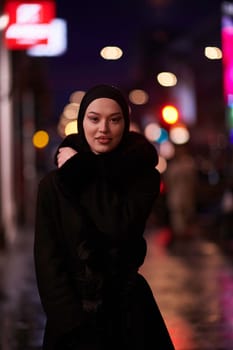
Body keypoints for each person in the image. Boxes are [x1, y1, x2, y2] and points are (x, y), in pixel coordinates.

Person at [34, 84, 175, 350]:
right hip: (72, 317)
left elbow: (117, 225)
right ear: (81, 121)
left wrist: (81, 173)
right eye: (94, 119)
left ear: (125, 124)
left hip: (129, 315)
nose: (103, 129)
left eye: (114, 120)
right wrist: (69, 322)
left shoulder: (141, 176)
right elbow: (46, 259)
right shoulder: (53, 185)